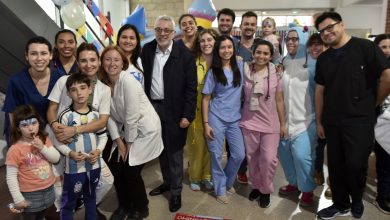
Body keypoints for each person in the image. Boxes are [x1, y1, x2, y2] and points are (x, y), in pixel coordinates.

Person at [314, 12, 390, 219]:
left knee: (356, 164)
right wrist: (320, 121)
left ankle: (356, 199)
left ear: (342, 24)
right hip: (332, 121)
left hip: (360, 120)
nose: (326, 33)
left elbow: (387, 75)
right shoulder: (324, 59)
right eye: (322, 31)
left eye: (330, 27)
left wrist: (374, 102)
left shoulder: (366, 47)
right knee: (336, 165)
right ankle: (341, 203)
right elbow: (320, 91)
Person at [47, 43, 112, 218]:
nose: (88, 64)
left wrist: (74, 130)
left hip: (87, 146)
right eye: (83, 60)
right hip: (60, 142)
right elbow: (51, 108)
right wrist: (56, 126)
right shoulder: (64, 81)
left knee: (104, 182)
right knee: (61, 189)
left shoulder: (104, 89)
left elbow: (102, 121)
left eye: (92, 59)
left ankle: (86, 205)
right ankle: (66, 211)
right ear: (77, 61)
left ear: (98, 61)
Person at [99, 45, 163, 220]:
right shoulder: (102, 84)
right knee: (115, 168)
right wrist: (118, 141)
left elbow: (132, 116)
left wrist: (127, 144)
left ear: (123, 63)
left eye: (116, 60)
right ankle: (124, 205)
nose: (112, 63)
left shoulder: (128, 81)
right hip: (126, 131)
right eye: (107, 59)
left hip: (144, 131)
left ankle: (141, 208)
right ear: (102, 62)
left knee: (130, 171)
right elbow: (108, 116)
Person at [141, 15, 197, 212]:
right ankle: (166, 182)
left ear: (174, 33)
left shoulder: (185, 55)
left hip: (175, 110)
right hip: (152, 108)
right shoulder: (147, 50)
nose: (162, 33)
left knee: (174, 152)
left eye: (167, 30)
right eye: (159, 29)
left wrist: (187, 115)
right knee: (160, 149)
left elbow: (191, 89)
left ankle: (176, 191)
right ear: (153, 30)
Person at [55, 73, 107, 220]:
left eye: (83, 88)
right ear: (68, 93)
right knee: (69, 201)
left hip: (93, 166)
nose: (79, 93)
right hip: (73, 168)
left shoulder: (96, 116)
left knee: (91, 197)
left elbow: (103, 136)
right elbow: (58, 142)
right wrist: (70, 153)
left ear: (90, 89)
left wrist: (98, 150)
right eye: (74, 90)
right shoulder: (65, 116)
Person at [240, 40, 286, 208]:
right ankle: (257, 187)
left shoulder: (276, 73)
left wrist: (282, 124)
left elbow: (279, 100)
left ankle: (266, 190)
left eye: (266, 53)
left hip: (270, 123)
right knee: (252, 160)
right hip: (248, 122)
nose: (261, 56)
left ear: (270, 55)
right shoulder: (244, 69)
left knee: (268, 159)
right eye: (258, 52)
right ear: (253, 52)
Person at [201, 35, 245, 204]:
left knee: (239, 154)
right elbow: (205, 99)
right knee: (216, 155)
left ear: (233, 49)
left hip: (234, 119)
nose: (226, 50)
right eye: (222, 47)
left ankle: (227, 181)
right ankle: (220, 189)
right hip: (215, 117)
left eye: (229, 47)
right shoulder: (213, 71)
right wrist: (206, 124)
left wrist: (277, 67)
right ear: (217, 50)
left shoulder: (240, 65)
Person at [278, 26, 317, 207]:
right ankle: (294, 183)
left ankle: (307, 188)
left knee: (302, 157)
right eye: (289, 39)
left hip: (306, 119)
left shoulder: (314, 62)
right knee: (285, 155)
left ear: (302, 39)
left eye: (295, 39)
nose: (291, 42)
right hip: (286, 119)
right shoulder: (283, 61)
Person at [2, 37, 62, 145]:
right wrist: (19, 143)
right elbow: (11, 115)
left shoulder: (60, 78)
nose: (39, 58)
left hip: (51, 135)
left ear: (51, 55)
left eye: (43, 53)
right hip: (22, 134)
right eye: (34, 53)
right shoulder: (16, 81)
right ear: (27, 56)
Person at [6, 105, 60, 220]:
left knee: (43, 214)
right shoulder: (15, 149)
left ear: (39, 123)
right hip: (30, 193)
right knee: (30, 217)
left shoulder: (44, 140)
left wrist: (43, 148)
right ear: (18, 128)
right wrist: (18, 199)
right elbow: (11, 177)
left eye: (33, 123)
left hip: (49, 188)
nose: (31, 128)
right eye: (25, 125)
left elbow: (56, 159)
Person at [187, 28, 219, 191]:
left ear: (215, 41)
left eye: (209, 40)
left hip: (217, 111)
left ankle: (207, 175)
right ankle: (195, 176)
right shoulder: (192, 62)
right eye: (202, 41)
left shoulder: (222, 61)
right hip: (196, 110)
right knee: (196, 145)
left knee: (211, 145)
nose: (206, 43)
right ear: (198, 44)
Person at [235, 10, 258, 184]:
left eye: (252, 24)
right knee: (240, 141)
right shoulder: (233, 47)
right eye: (246, 24)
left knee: (255, 140)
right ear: (241, 26)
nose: (249, 27)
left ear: (255, 27)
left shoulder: (261, 47)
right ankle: (240, 170)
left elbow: (276, 64)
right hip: (236, 102)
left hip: (257, 103)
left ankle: (255, 171)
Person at [306, 33, 327, 187]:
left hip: (333, 111)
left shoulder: (332, 61)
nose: (315, 47)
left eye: (318, 44)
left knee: (332, 149)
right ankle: (317, 171)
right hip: (313, 111)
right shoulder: (308, 62)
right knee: (317, 145)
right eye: (312, 44)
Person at [373, 33, 390, 215]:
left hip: (387, 120)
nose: (387, 51)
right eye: (383, 46)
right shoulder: (370, 68)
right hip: (373, 118)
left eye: (389, 47)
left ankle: (384, 193)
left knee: (386, 159)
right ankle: (382, 196)